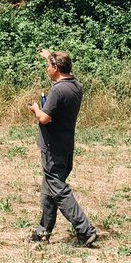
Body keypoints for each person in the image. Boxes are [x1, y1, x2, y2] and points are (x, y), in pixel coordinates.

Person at [27, 48, 98, 247]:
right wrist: (49, 56)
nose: (47, 70)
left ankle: (85, 230)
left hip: (53, 148)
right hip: (65, 146)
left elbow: (44, 118)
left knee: (58, 190)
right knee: (49, 190)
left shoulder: (58, 91)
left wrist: (36, 109)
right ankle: (43, 232)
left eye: (48, 66)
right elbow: (59, 75)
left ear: (56, 68)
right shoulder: (76, 86)